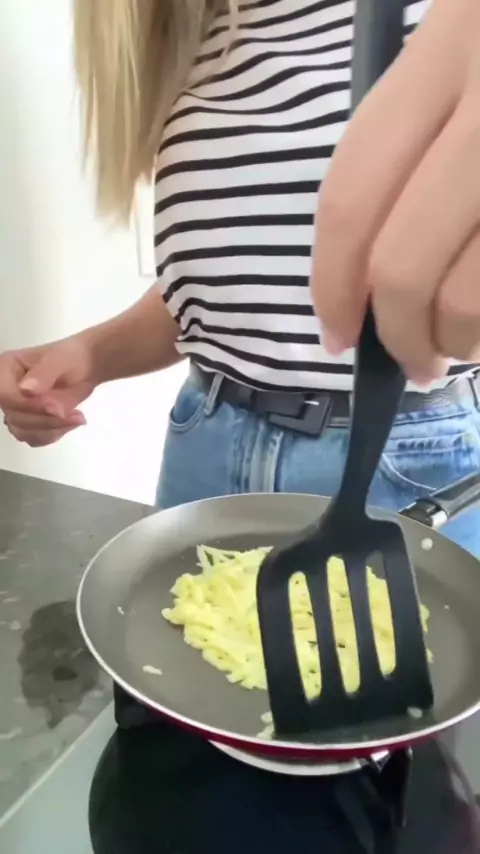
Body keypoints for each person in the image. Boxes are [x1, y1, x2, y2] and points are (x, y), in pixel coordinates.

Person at [2, 0, 480, 555]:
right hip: (208, 440)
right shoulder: (206, 35)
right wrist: (92, 353)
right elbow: (237, 282)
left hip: (410, 462)